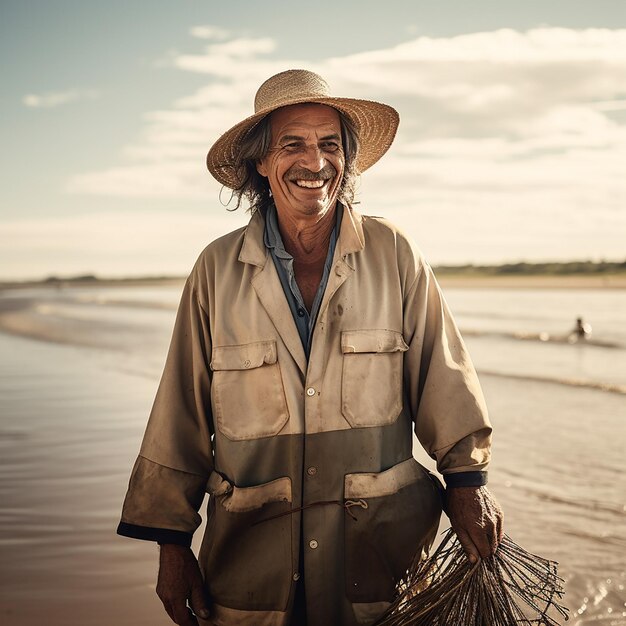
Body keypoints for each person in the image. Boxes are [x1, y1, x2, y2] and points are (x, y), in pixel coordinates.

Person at [117, 69, 504, 626]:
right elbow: (180, 412)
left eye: (329, 145)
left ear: (346, 160)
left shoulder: (394, 254)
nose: (314, 161)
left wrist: (468, 484)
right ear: (260, 162)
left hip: (377, 564)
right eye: (292, 144)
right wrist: (171, 544)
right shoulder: (217, 270)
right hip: (251, 568)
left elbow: (444, 377)